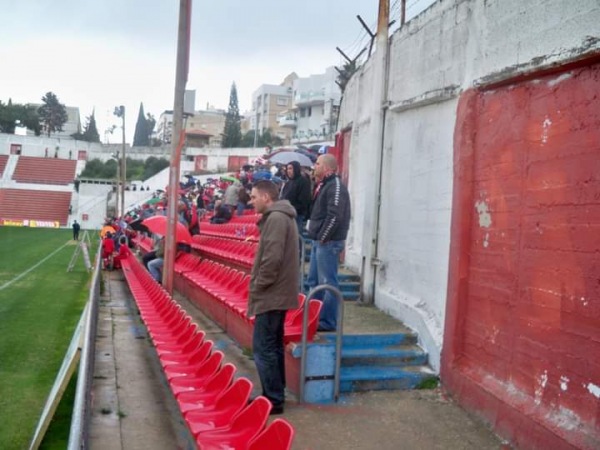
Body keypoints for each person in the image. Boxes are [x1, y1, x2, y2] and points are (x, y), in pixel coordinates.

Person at [248, 180, 299, 415]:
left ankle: (273, 398)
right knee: (273, 346)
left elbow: (272, 258)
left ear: (267, 198)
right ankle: (275, 394)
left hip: (272, 294)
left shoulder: (277, 219)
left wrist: (258, 286)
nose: (251, 201)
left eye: (254, 196)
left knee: (264, 348)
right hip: (276, 293)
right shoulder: (277, 217)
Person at [307, 154, 351, 332]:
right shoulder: (323, 185)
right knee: (314, 281)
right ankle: (313, 318)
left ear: (327, 168)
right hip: (320, 241)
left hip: (328, 243)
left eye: (317, 164)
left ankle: (327, 321)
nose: (314, 167)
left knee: (327, 282)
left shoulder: (336, 186)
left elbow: (335, 215)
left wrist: (324, 237)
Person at [280, 161, 312, 233]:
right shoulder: (289, 182)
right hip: (286, 214)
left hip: (297, 215)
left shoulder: (303, 181)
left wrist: (292, 208)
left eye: (291, 168)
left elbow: (304, 200)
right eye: (287, 169)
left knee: (295, 236)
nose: (288, 171)